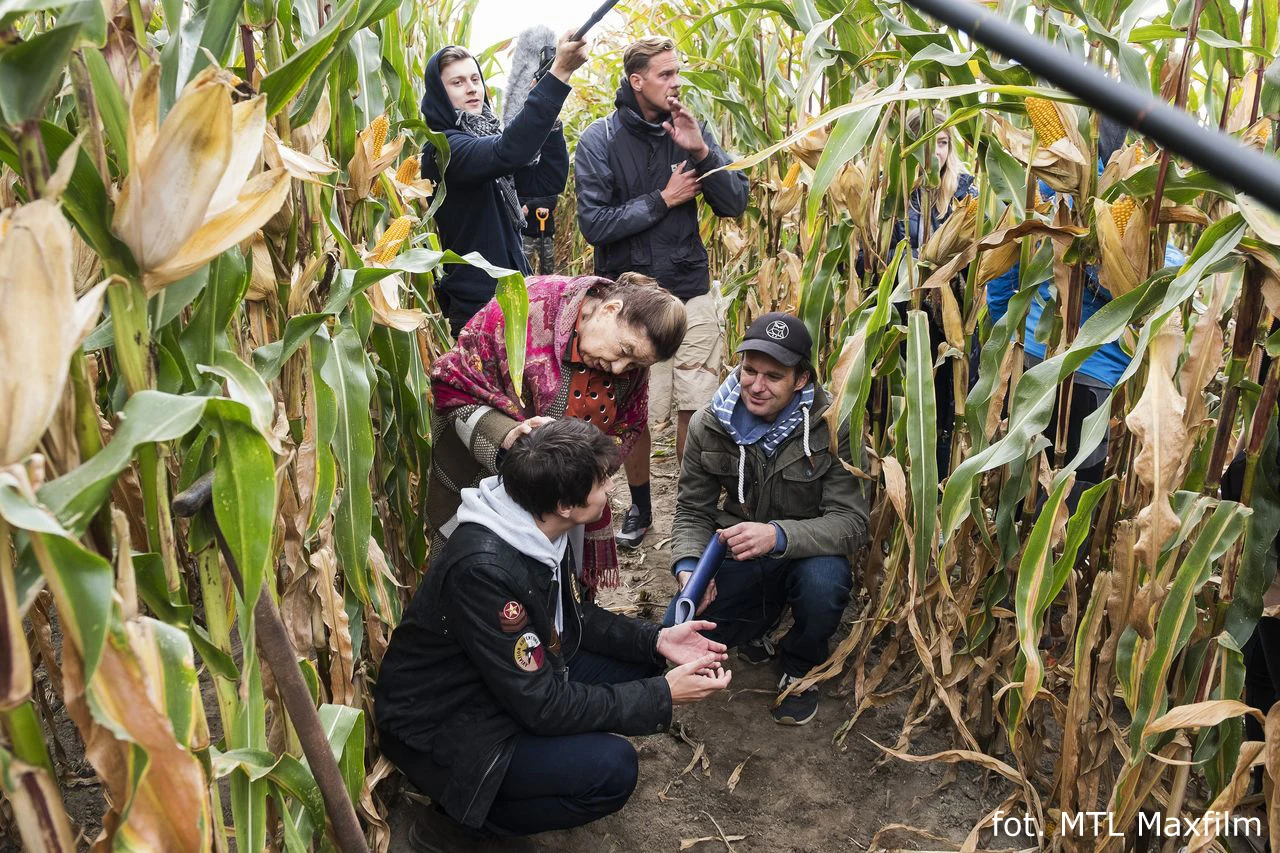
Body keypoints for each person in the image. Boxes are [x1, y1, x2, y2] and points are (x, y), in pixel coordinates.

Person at [377, 418, 732, 852]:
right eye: (602, 482)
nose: (609, 492)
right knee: (612, 772)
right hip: (443, 722)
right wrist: (662, 694)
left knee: (643, 661)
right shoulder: (485, 569)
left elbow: (568, 618)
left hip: (501, 682)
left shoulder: (537, 525)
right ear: (566, 503)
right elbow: (542, 706)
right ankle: (456, 828)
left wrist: (655, 640)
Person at [575, 35, 751, 551]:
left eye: (678, 73)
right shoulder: (599, 140)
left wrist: (701, 149)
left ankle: (691, 511)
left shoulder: (689, 132)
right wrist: (662, 199)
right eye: (666, 75)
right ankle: (641, 508)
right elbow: (594, 224)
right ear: (637, 81)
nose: (677, 83)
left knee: (694, 404)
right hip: (628, 301)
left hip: (691, 287)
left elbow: (734, 203)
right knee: (633, 412)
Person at [665, 312, 869, 726]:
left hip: (807, 551)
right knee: (678, 624)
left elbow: (851, 522)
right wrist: (690, 569)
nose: (756, 386)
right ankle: (760, 622)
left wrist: (777, 536)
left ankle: (801, 664)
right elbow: (692, 511)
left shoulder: (833, 425)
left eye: (773, 376)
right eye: (749, 371)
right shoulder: (711, 422)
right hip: (741, 550)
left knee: (823, 583)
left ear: (801, 380)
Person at [427, 274, 686, 594]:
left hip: (563, 499)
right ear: (610, 309)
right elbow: (453, 383)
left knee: (549, 595)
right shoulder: (523, 310)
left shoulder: (628, 361)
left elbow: (629, 424)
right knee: (476, 587)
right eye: (623, 351)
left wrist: (583, 471)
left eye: (635, 364)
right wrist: (509, 436)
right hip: (485, 483)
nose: (620, 370)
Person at [984, 118, 1184, 506]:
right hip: (1095, 371)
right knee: (1074, 493)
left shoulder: (1048, 182)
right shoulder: (1141, 197)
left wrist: (1009, 339)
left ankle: (1016, 560)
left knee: (1020, 486)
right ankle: (1061, 563)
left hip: (1034, 361)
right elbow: (1168, 268)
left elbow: (1003, 269)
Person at [419, 33, 587, 335]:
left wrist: (551, 120)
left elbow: (547, 179)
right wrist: (558, 75)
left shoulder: (483, 139)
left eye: (475, 79)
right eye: (457, 83)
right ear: (439, 94)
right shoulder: (443, 149)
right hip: (480, 309)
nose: (472, 89)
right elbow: (507, 151)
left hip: (515, 296)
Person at [890, 109, 978, 477]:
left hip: (952, 323)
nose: (936, 154)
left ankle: (941, 489)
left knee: (946, 413)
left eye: (942, 143)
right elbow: (880, 257)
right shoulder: (895, 196)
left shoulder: (967, 192)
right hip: (907, 321)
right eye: (928, 144)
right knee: (910, 408)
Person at [520, 195, 557, 274]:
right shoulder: (523, 186)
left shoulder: (548, 185)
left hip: (546, 232)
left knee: (548, 262)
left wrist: (529, 205)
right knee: (524, 263)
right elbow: (520, 203)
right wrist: (540, 204)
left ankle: (546, 283)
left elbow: (552, 201)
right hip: (527, 232)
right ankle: (527, 283)